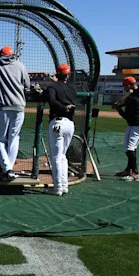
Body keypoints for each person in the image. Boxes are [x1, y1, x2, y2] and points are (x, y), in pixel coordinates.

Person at [0, 45, 30, 180]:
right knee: (14, 138)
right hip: (19, 106)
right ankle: (9, 170)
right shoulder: (20, 65)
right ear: (12, 55)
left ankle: (7, 169)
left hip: (1, 107)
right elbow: (27, 85)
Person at [44, 64, 77, 196]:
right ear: (68, 75)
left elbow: (51, 100)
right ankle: (64, 185)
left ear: (56, 74)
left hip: (57, 123)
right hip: (70, 124)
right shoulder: (72, 87)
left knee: (56, 157)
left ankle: (57, 188)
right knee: (63, 156)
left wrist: (53, 84)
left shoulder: (53, 86)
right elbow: (62, 88)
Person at [113, 76, 139, 181]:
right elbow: (134, 94)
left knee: (129, 148)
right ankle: (128, 169)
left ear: (129, 85)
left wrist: (118, 108)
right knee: (129, 148)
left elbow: (127, 116)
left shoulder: (132, 99)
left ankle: (136, 173)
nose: (124, 88)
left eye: (125, 86)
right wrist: (122, 102)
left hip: (137, 125)